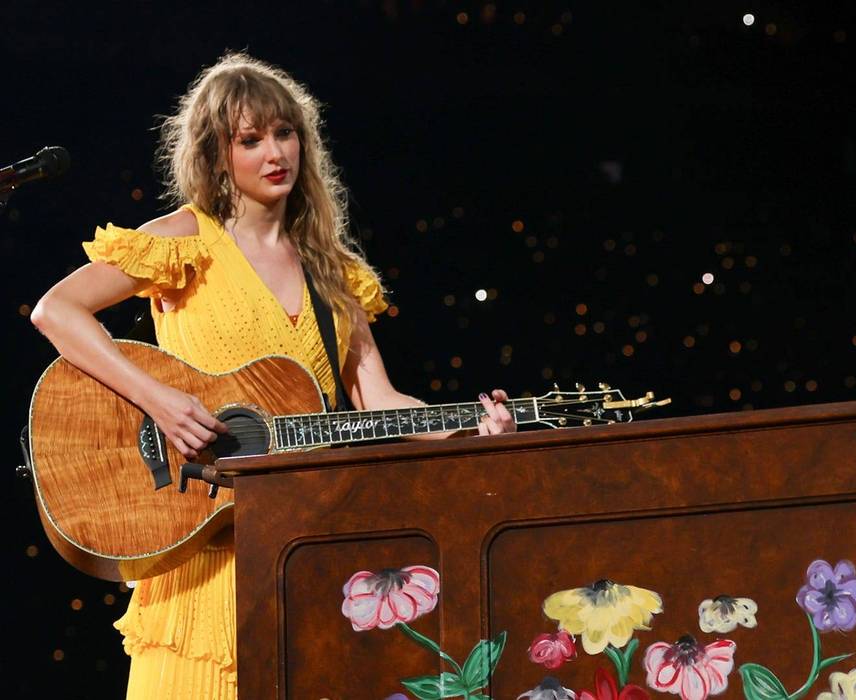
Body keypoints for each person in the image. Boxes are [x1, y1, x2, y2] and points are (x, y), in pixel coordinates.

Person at [30, 52, 516, 698]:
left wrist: (473, 431)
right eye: (250, 140)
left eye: (284, 133)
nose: (273, 152)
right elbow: (56, 310)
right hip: (202, 548)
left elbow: (378, 401)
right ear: (215, 153)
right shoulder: (184, 241)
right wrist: (161, 401)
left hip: (299, 551)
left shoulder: (334, 272)